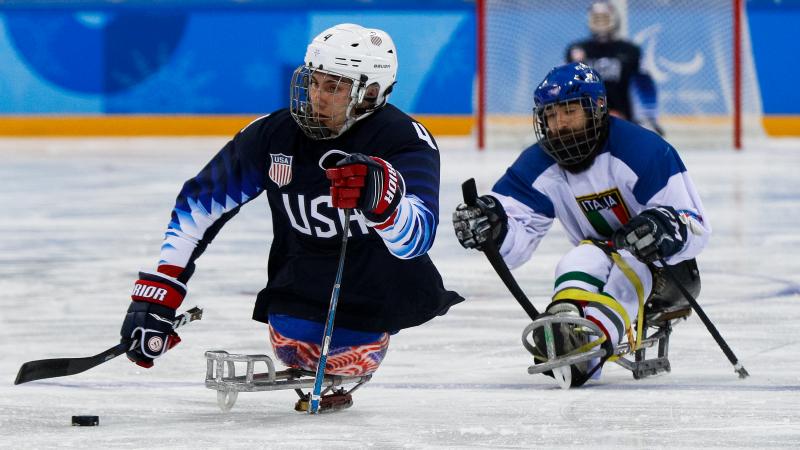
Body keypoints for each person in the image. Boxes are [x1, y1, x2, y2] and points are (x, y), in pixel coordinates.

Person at [120, 23, 463, 408]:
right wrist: (161, 292)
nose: (316, 96)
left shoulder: (403, 140)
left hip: (381, 293)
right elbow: (200, 205)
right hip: (297, 287)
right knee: (293, 337)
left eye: (333, 87)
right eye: (314, 82)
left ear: (370, 93)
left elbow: (417, 239)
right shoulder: (274, 134)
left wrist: (387, 204)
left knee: (347, 346)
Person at [453, 62, 709, 387]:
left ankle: (588, 346)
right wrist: (494, 227)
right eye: (550, 115)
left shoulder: (643, 150)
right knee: (578, 258)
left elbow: (695, 224)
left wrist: (664, 227)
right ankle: (566, 325)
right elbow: (515, 240)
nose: (559, 124)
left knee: (630, 264)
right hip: (601, 255)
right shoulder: (539, 163)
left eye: (569, 111)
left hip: (669, 270)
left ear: (597, 108)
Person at [565, 1, 664, 135]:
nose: (600, 22)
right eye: (596, 18)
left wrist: (648, 117)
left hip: (623, 118)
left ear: (614, 19)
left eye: (604, 18)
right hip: (586, 120)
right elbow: (568, 87)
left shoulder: (630, 51)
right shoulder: (576, 51)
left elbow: (645, 86)